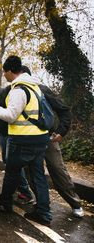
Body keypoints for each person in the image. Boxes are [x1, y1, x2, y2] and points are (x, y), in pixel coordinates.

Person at [0, 55, 52, 226]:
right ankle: (44, 212)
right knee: (38, 176)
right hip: (40, 137)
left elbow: (10, 115)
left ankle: (4, 202)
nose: (5, 77)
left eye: (5, 73)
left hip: (22, 139)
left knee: (12, 172)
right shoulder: (35, 87)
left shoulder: (18, 90)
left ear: (9, 71)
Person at [20, 65, 84, 218]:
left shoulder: (42, 89)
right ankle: (41, 201)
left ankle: (75, 203)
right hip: (28, 139)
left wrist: (61, 132)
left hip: (48, 138)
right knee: (32, 172)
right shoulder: (17, 92)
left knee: (57, 169)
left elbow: (63, 110)